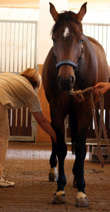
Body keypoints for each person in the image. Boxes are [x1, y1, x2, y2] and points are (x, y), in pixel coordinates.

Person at [0, 68, 56, 187]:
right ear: (36, 83)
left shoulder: (10, 76)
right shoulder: (29, 90)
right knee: (2, 138)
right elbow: (42, 121)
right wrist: (56, 136)